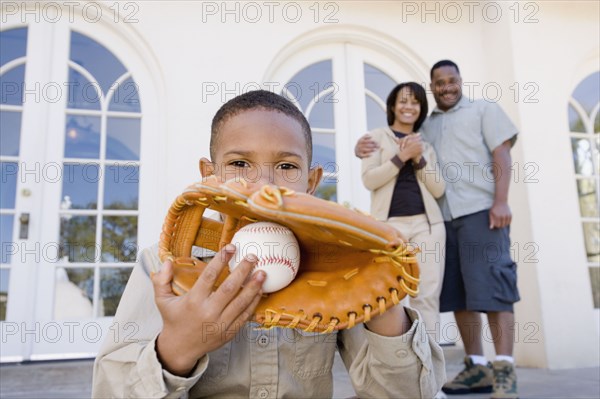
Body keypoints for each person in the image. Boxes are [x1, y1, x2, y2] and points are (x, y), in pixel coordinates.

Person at [92, 90, 445, 398]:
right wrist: (176, 349)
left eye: (286, 166)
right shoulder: (167, 264)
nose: (263, 184)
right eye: (239, 163)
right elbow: (109, 391)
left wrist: (383, 303)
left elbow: (408, 394)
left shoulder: (340, 266)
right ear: (209, 175)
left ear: (311, 182)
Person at [355, 61, 520, 399]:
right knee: (460, 293)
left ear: (459, 81)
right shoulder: (424, 128)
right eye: (439, 83)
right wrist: (366, 148)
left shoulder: (483, 110)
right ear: (432, 88)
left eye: (452, 81)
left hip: (480, 212)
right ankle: (476, 367)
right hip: (444, 220)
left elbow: (500, 154)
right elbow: (379, 164)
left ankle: (504, 370)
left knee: (494, 287)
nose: (447, 87)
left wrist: (501, 201)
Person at [360, 82, 446, 345]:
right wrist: (401, 156)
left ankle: (430, 378)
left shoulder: (426, 147)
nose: (409, 107)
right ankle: (398, 370)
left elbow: (438, 188)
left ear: (421, 109)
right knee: (388, 295)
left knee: (426, 298)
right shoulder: (374, 138)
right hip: (388, 228)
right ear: (393, 106)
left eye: (415, 102)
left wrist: (418, 157)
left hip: (427, 227)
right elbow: (369, 180)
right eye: (404, 101)